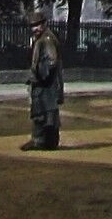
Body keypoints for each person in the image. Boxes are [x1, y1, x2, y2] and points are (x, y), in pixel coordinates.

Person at [21, 10, 65, 151]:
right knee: (49, 113)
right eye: (33, 26)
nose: (35, 28)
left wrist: (40, 75)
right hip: (49, 83)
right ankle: (50, 142)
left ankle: (39, 141)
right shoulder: (45, 38)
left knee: (41, 112)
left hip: (46, 83)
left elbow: (51, 62)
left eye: (38, 25)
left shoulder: (46, 40)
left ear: (44, 24)